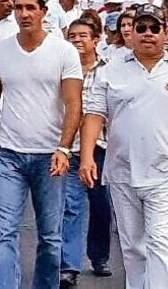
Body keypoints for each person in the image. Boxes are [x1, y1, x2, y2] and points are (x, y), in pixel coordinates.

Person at [80, 5, 168, 288]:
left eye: (154, 28)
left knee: (160, 242)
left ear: (166, 34)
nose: (147, 34)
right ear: (132, 33)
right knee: (133, 247)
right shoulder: (110, 70)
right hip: (122, 172)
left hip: (165, 173)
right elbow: (94, 115)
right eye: (141, 28)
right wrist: (87, 157)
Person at [0, 0, 83, 289]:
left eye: (30, 8)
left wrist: (64, 148)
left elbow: (74, 104)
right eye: (18, 7)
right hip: (8, 155)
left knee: (50, 237)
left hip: (50, 157)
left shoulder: (64, 51)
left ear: (43, 12)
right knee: (5, 232)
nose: (23, 14)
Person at [61, 17, 113, 283]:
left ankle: (99, 255)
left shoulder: (110, 69)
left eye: (83, 36)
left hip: (102, 148)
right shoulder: (59, 69)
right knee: (70, 206)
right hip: (68, 148)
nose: (77, 40)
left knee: (102, 206)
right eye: (72, 36)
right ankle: (69, 265)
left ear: (96, 40)